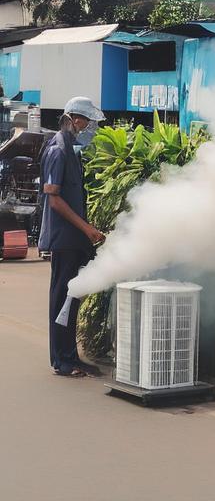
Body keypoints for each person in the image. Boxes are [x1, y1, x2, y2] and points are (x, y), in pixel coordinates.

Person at [38, 96, 106, 378]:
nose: (89, 127)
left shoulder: (71, 149)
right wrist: (87, 229)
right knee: (62, 298)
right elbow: (54, 200)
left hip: (75, 237)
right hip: (65, 237)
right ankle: (61, 360)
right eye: (88, 121)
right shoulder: (58, 150)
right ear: (75, 119)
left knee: (72, 297)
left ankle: (71, 356)